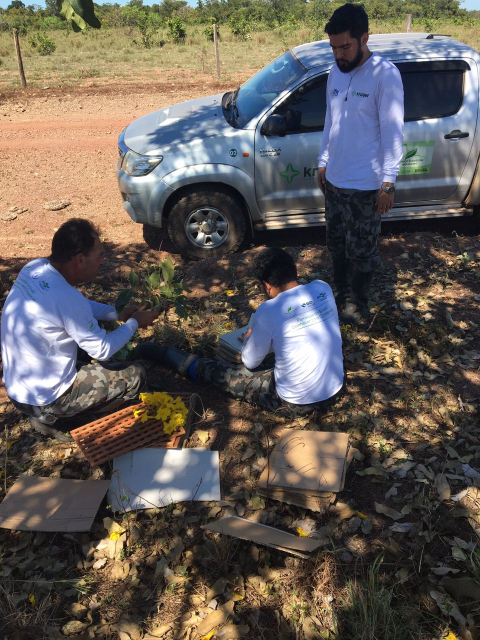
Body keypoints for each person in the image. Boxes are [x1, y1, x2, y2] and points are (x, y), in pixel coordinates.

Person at [131, 247, 344, 418]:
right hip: (335, 390)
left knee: (223, 372)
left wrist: (251, 337)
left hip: (293, 402)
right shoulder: (322, 288)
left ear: (266, 285)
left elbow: (250, 362)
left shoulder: (269, 310)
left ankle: (178, 360)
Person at [1, 218, 159, 441]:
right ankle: (62, 420)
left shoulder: (35, 268)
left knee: (85, 336)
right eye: (100, 256)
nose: (102, 262)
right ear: (80, 259)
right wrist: (135, 323)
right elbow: (102, 350)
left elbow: (77, 307)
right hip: (46, 398)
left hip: (19, 389)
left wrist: (117, 313)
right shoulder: (67, 298)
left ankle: (51, 412)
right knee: (135, 375)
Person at [317, 3, 404, 323]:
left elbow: (393, 131)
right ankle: (340, 294)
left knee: (362, 251)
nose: (339, 54)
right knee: (336, 244)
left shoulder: (385, 75)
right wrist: (323, 161)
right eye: (334, 48)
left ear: (364, 38)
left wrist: (388, 183)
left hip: (366, 186)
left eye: (345, 47)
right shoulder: (334, 73)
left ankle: (358, 305)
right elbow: (331, 120)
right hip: (335, 180)